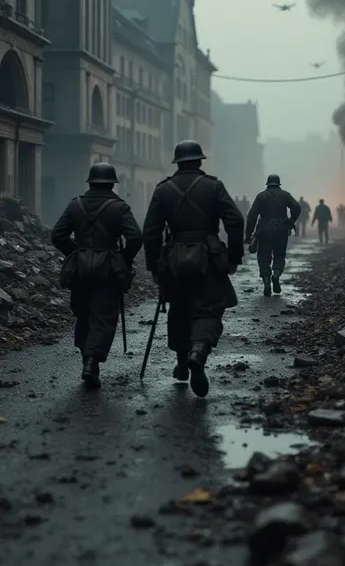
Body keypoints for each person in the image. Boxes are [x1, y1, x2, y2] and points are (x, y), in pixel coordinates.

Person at [143, 140, 244, 398]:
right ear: (199, 161)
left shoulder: (163, 190)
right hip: (208, 259)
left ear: (177, 162)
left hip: (174, 261)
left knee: (178, 309)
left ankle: (181, 362)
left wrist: (155, 267)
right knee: (208, 310)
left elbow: (151, 231)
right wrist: (233, 257)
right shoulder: (213, 186)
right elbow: (235, 220)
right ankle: (198, 350)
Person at [51, 162, 143, 389]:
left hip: (80, 270)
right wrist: (123, 259)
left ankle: (87, 359)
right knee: (103, 317)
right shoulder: (119, 208)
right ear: (112, 183)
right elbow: (135, 238)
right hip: (108, 271)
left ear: (90, 182)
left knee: (83, 314)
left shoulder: (75, 205)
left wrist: (75, 253)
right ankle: (92, 361)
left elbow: (57, 235)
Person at [245, 174, 301, 296]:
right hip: (281, 229)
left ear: (268, 183)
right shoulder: (285, 195)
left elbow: (251, 216)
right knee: (279, 254)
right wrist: (291, 221)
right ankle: (276, 274)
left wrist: (248, 235)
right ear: (278, 183)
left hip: (264, 230)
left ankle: (266, 281)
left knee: (263, 256)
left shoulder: (261, 196)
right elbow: (296, 207)